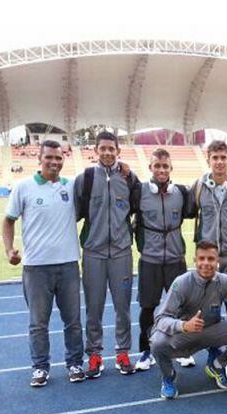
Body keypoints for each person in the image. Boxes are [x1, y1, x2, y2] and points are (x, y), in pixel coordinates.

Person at [2, 139, 84, 387]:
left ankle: (75, 363)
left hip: (69, 264)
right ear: (39, 158)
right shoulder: (23, 187)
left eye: (58, 158)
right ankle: (40, 367)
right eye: (49, 157)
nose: (54, 162)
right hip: (36, 267)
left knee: (73, 321)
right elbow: (8, 220)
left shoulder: (71, 186)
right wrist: (9, 251)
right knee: (38, 323)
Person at [150, 241, 227, 399]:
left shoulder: (225, 281)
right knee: (157, 342)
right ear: (195, 260)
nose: (206, 263)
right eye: (202, 259)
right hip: (185, 334)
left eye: (211, 259)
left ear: (218, 262)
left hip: (212, 332)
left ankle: (217, 364)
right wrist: (183, 325)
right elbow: (160, 319)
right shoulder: (181, 283)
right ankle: (168, 376)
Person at [74, 131, 139, 379]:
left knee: (123, 308)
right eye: (103, 148)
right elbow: (76, 213)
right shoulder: (86, 178)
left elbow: (136, 209)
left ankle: (123, 353)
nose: (107, 153)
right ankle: (95, 355)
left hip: (122, 252)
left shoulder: (129, 179)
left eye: (112, 149)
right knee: (93, 308)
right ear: (96, 150)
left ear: (118, 151)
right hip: (93, 252)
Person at [131, 148, 193, 371]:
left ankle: (182, 349)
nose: (161, 170)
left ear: (171, 168)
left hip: (176, 258)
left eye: (165, 166)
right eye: (157, 165)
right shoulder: (139, 192)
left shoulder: (182, 193)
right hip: (150, 259)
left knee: (182, 306)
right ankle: (146, 351)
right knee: (148, 307)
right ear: (150, 167)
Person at [191, 140, 227, 368]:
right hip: (208, 258)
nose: (219, 162)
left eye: (223, 158)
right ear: (208, 160)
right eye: (215, 158)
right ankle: (214, 350)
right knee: (210, 308)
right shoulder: (198, 186)